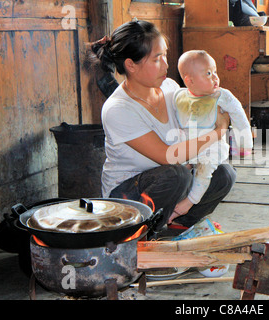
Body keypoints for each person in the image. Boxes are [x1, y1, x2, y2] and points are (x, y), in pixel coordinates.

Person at [90, 20, 235, 236]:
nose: (166, 65)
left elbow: (191, 132)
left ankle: (179, 224)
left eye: (165, 55)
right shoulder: (117, 109)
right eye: (157, 59)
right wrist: (218, 132)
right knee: (177, 176)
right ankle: (139, 232)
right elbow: (168, 157)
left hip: (173, 175)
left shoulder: (169, 87)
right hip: (128, 197)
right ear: (130, 65)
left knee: (224, 173)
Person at [168, 50, 252, 224]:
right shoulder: (179, 96)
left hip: (213, 147)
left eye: (215, 72)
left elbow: (238, 115)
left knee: (204, 170)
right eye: (208, 73)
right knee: (178, 164)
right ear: (189, 80)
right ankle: (173, 213)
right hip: (189, 145)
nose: (215, 78)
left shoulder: (221, 96)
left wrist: (244, 143)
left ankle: (188, 203)